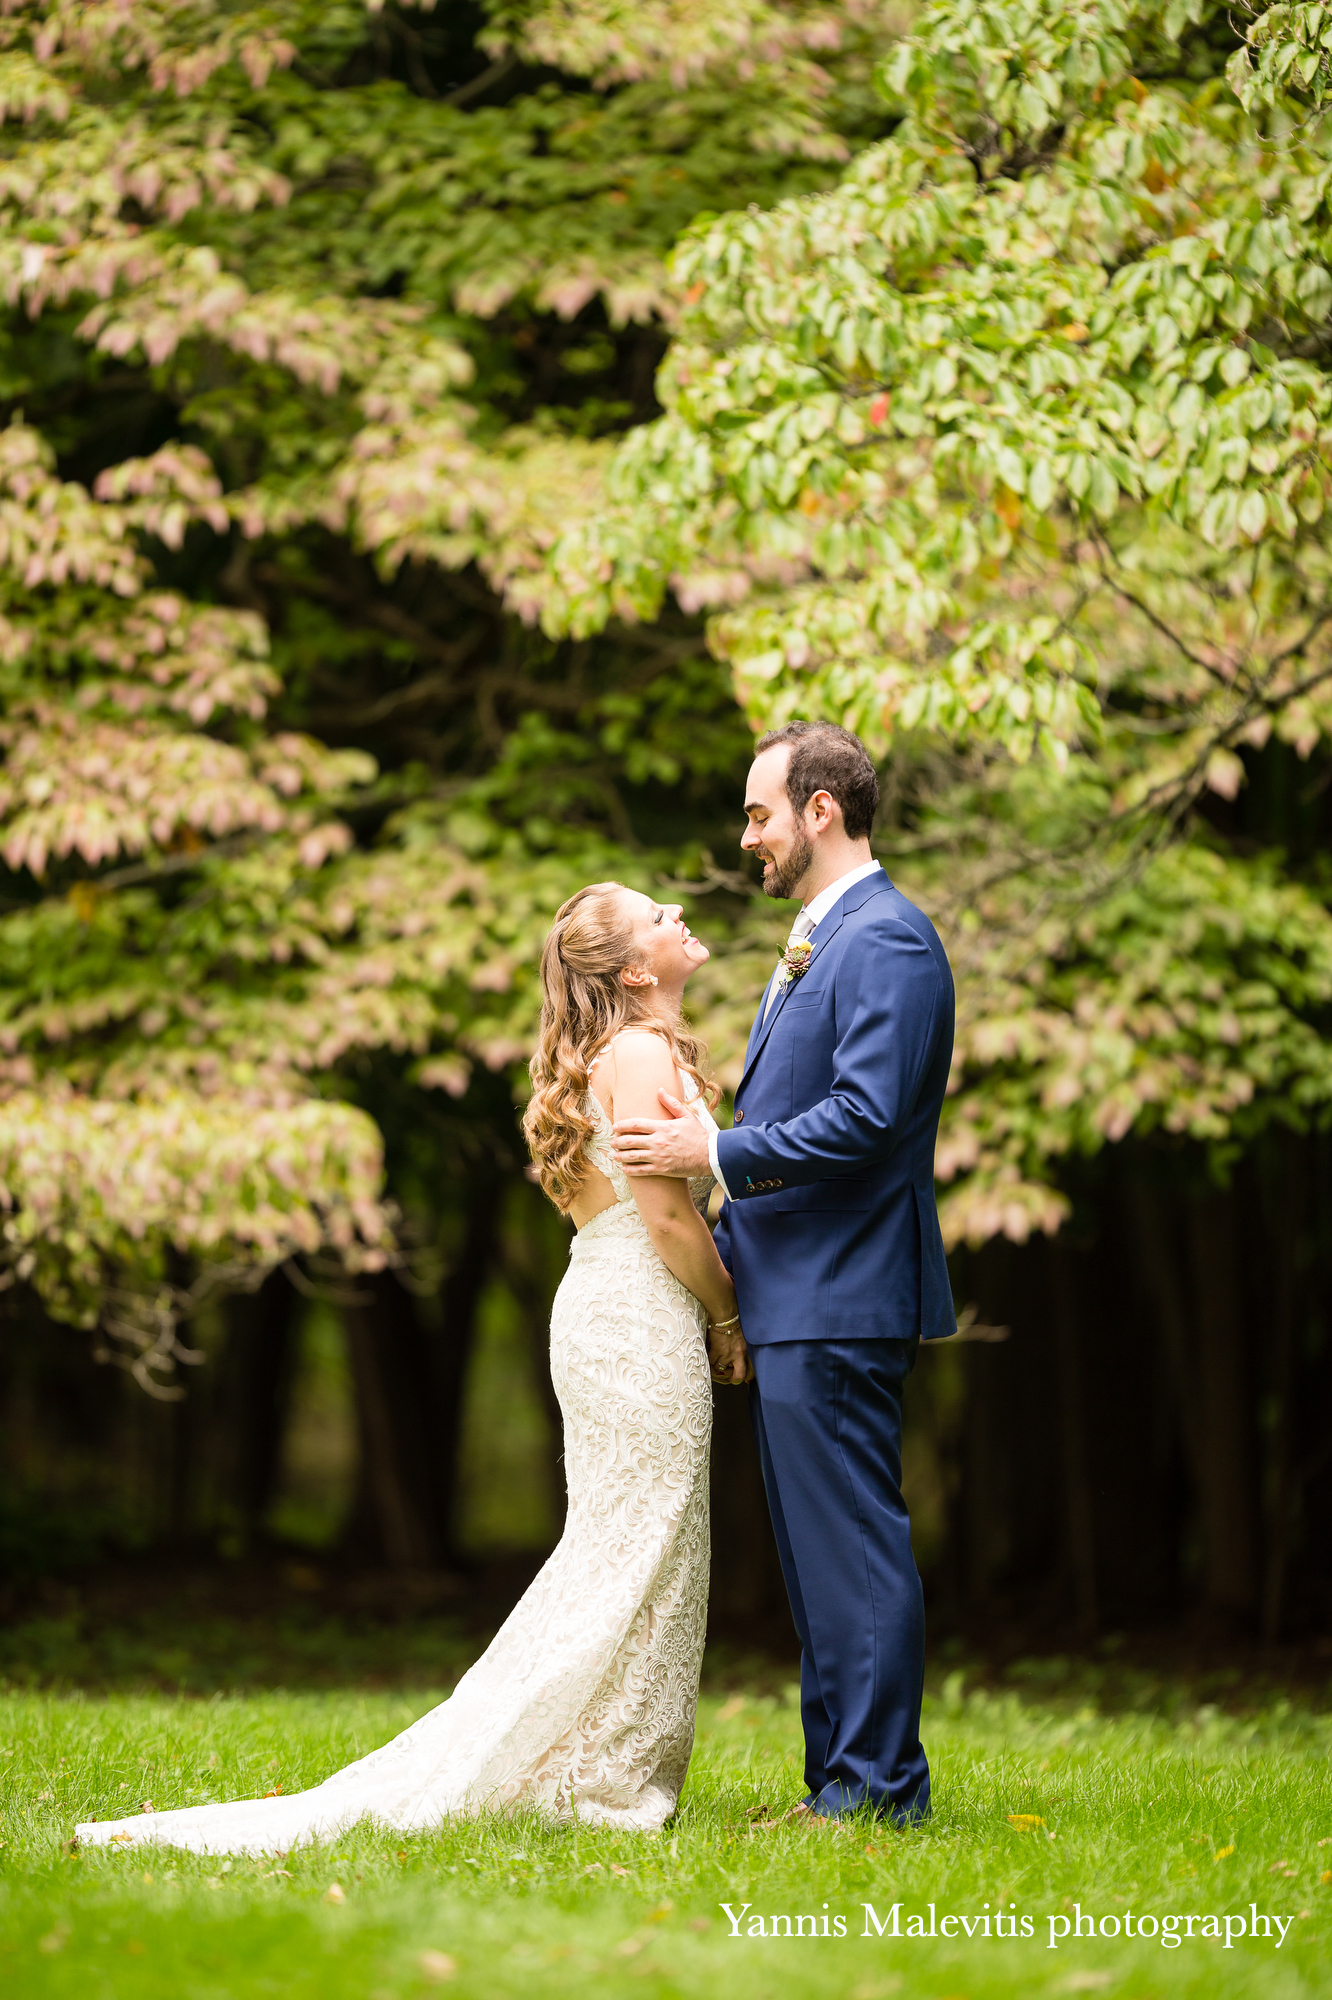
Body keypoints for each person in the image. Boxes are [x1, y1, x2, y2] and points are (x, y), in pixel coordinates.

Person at [76, 883, 744, 1855]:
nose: (680, 906)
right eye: (656, 911)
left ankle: (596, 1756)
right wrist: (727, 1314)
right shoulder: (637, 1052)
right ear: (636, 968)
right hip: (639, 1315)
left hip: (608, 1306)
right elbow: (673, 1217)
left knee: (628, 1538)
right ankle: (594, 1768)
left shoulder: (613, 1054)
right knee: (638, 1538)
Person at [612, 721, 955, 1826]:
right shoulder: (824, 936)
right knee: (819, 1553)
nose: (746, 833)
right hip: (798, 1287)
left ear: (820, 810)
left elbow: (868, 1115)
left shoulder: (888, 940)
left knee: (850, 1540)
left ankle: (878, 1787)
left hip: (842, 1284)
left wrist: (714, 1152)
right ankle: (838, 1781)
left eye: (760, 811)